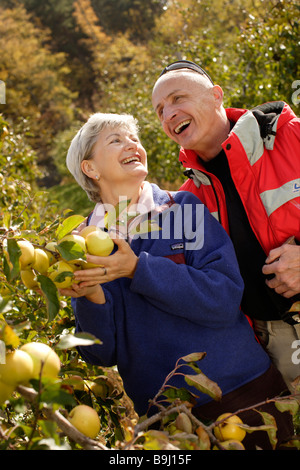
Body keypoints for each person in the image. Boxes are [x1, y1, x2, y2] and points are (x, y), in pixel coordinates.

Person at [61, 112, 294, 450]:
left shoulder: (183, 208)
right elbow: (102, 354)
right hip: (166, 421)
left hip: (243, 394)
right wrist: (91, 294)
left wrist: (137, 269)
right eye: (116, 140)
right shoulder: (85, 242)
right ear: (91, 169)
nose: (132, 145)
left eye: (134, 139)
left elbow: (223, 297)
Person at [151, 60, 300, 391]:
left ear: (216, 96)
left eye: (177, 98)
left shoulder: (292, 137)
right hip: (271, 347)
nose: (168, 114)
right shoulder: (187, 202)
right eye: (160, 110)